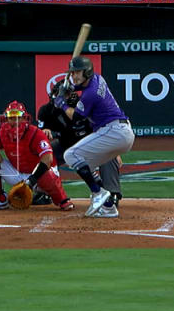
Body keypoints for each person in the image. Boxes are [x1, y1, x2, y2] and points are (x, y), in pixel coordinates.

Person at [57, 56, 134, 218]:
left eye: (78, 72)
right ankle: (108, 207)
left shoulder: (90, 94)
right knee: (85, 165)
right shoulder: (98, 78)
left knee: (70, 155)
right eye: (72, 73)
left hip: (113, 130)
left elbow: (76, 117)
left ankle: (98, 192)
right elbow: (80, 87)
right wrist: (69, 88)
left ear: (87, 71)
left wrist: (61, 104)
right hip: (121, 131)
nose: (74, 76)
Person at [38, 77, 124, 218]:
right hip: (64, 144)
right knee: (44, 153)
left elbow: (102, 128)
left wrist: (115, 151)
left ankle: (112, 194)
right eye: (63, 94)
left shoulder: (83, 106)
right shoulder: (47, 111)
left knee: (109, 154)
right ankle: (41, 192)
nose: (67, 97)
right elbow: (39, 135)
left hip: (89, 143)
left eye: (69, 94)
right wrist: (43, 133)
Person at [0, 101, 75, 212]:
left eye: (19, 118)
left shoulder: (36, 133)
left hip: (39, 176)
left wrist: (32, 180)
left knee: (47, 172)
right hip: (17, 172)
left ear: (25, 118)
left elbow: (48, 159)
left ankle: (61, 199)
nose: (16, 122)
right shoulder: (1, 131)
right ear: (6, 119)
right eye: (12, 118)